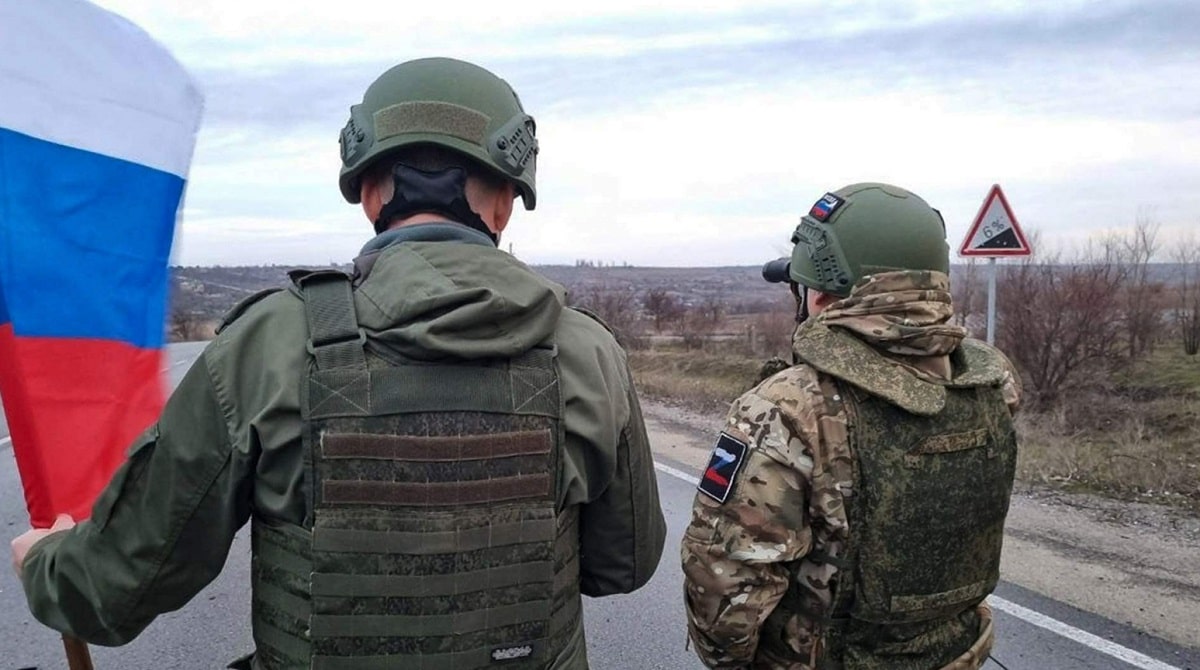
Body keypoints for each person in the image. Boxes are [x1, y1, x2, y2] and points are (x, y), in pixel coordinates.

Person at [12, 57, 666, 669]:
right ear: (506, 200)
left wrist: (48, 563)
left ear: (371, 193)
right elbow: (623, 566)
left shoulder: (268, 342)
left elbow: (115, 589)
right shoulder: (587, 351)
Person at [681, 182, 1021, 670]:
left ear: (821, 295)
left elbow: (723, 589)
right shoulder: (992, 384)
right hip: (959, 653)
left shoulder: (790, 406)